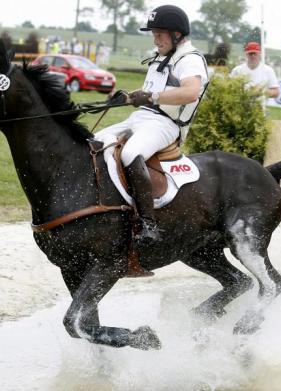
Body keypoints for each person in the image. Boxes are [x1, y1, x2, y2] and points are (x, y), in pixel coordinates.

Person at [95, 5, 209, 245]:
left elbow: (190, 92)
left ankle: (148, 223)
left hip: (167, 124)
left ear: (177, 34)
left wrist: (153, 97)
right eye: (154, 34)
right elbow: (150, 93)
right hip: (143, 118)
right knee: (95, 142)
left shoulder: (190, 59)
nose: (155, 40)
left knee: (131, 153)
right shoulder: (162, 56)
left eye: (159, 34)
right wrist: (128, 97)